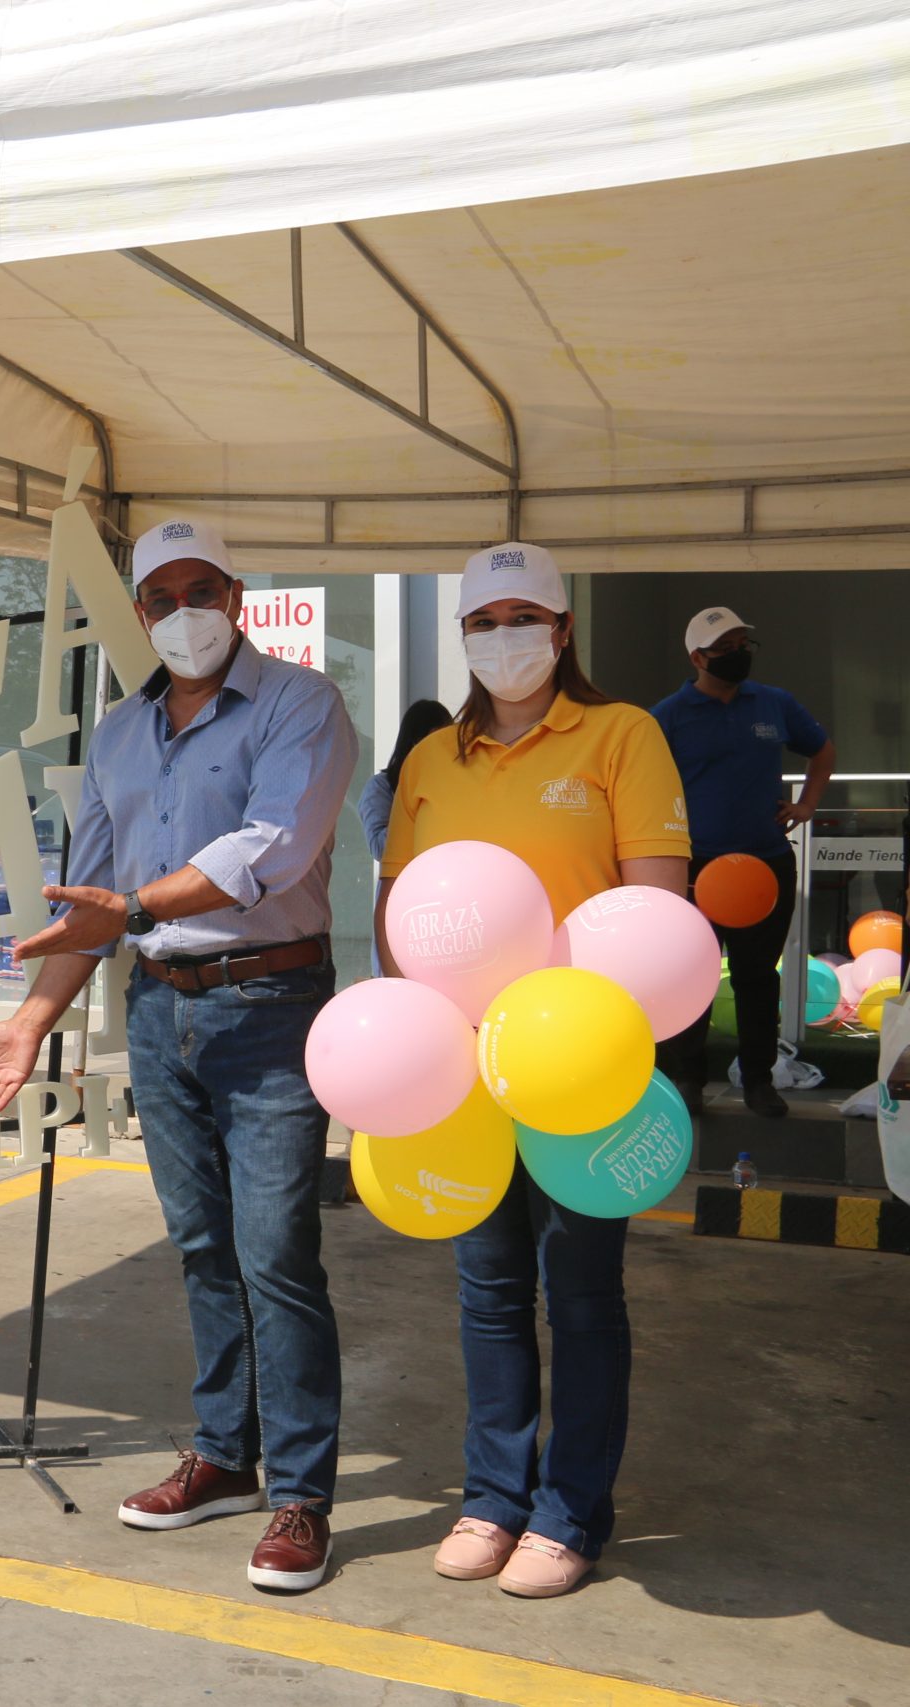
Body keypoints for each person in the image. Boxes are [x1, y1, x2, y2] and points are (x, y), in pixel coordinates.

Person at [0, 517, 359, 1594]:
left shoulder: (300, 706)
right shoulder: (119, 736)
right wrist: (28, 1020)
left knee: (274, 1252)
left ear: (236, 593)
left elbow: (268, 851)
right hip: (160, 1008)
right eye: (160, 597)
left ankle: (302, 1496)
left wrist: (134, 904)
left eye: (201, 589)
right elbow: (91, 904)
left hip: (269, 1001)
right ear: (137, 614)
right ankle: (226, 1456)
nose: (182, 613)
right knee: (200, 1246)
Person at [378, 542, 689, 1599]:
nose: (502, 637)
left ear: (561, 629)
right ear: (463, 638)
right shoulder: (429, 762)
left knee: (583, 1296)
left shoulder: (621, 735)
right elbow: (400, 920)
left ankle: (568, 1513)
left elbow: (655, 905)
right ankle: (490, 1498)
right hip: (461, 1074)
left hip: (575, 1065)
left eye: (523, 616)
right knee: (489, 1291)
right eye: (482, 621)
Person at [650, 607, 836, 1116]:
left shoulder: (773, 703)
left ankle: (759, 1083)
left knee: (758, 977)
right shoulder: (668, 715)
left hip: (765, 864)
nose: (737, 655)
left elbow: (821, 751)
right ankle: (689, 1080)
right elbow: (639, 784)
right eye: (724, 648)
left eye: (742, 645)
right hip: (694, 869)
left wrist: (806, 806)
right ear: (697, 657)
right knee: (692, 978)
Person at [359, 700, 454, 973]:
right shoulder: (381, 787)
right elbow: (379, 846)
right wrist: (416, 807)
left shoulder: (453, 784)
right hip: (401, 898)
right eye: (432, 739)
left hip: (444, 898)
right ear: (414, 742)